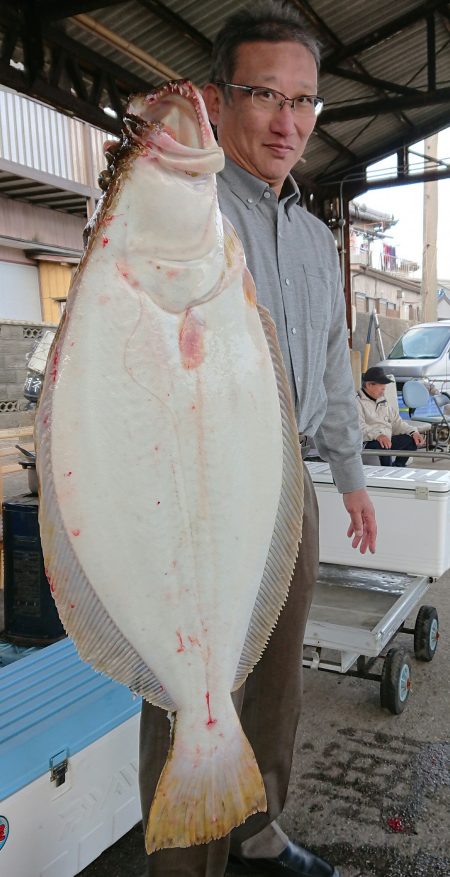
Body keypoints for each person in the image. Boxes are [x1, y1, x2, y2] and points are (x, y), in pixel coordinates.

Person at [138, 2, 377, 875]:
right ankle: (185, 863)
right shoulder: (181, 208)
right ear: (217, 98)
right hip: (200, 485)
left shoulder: (313, 238)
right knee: (193, 683)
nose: (288, 120)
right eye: (266, 94)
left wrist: (350, 477)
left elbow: (334, 366)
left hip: (292, 481)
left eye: (304, 100)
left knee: (278, 673)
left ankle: (260, 827)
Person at [357, 366, 425, 466]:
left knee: (411, 440)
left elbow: (397, 422)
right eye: (381, 387)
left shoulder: (383, 400)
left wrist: (413, 432)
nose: (383, 390)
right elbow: (359, 427)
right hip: (368, 441)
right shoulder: (357, 402)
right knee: (383, 445)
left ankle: (398, 466)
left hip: (386, 438)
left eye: (384, 388)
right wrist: (378, 436)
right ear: (369, 385)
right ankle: (387, 469)